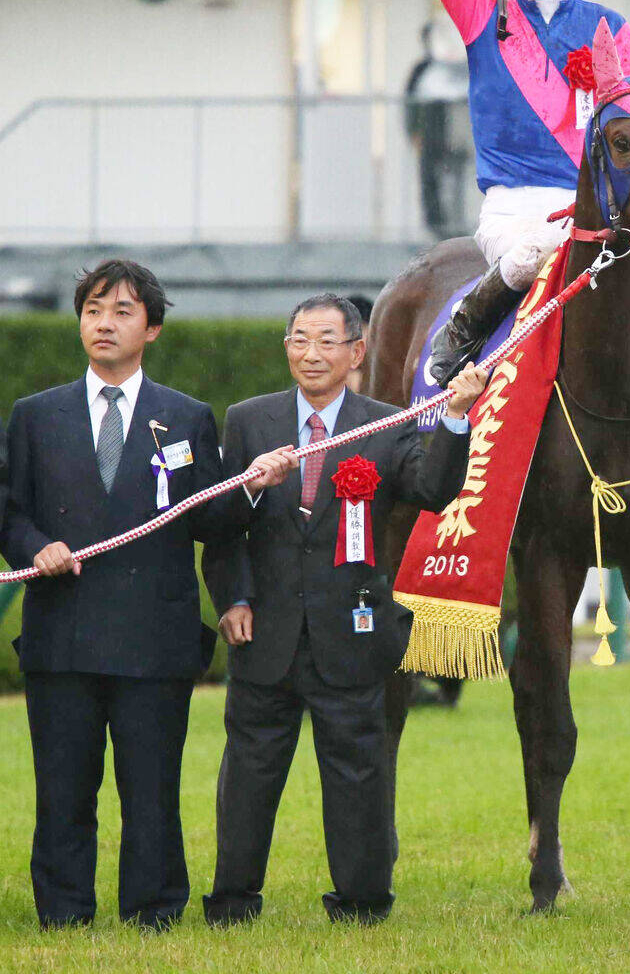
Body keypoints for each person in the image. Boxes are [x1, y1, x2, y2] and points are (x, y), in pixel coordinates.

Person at [0, 259, 292, 930]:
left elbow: (209, 522)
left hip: (153, 642)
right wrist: (31, 546)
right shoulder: (35, 416)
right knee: (63, 791)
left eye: (122, 311)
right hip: (61, 638)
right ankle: (65, 912)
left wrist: (249, 485)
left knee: (152, 789)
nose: (104, 323)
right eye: (93, 310)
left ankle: (154, 909)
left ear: (152, 329)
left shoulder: (184, 418)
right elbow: (10, 512)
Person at [201, 293, 486, 926]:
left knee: (359, 773)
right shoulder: (249, 421)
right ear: (286, 349)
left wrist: (459, 418)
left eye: (328, 340)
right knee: (248, 773)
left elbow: (435, 490)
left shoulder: (384, 423)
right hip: (264, 632)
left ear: (356, 352)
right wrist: (234, 595)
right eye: (300, 339)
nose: (312, 353)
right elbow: (220, 529)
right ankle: (232, 902)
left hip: (352, 631)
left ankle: (361, 902)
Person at [393, 0, 630, 385]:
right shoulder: (484, 14)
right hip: (515, 204)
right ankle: (461, 336)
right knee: (533, 257)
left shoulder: (611, 28)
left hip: (596, 205)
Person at [404, 19, 471, 238]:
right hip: (430, 134)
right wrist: (414, 132)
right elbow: (410, 104)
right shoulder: (422, 70)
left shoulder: (461, 70)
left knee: (457, 179)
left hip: (456, 135)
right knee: (430, 181)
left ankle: (456, 224)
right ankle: (435, 226)